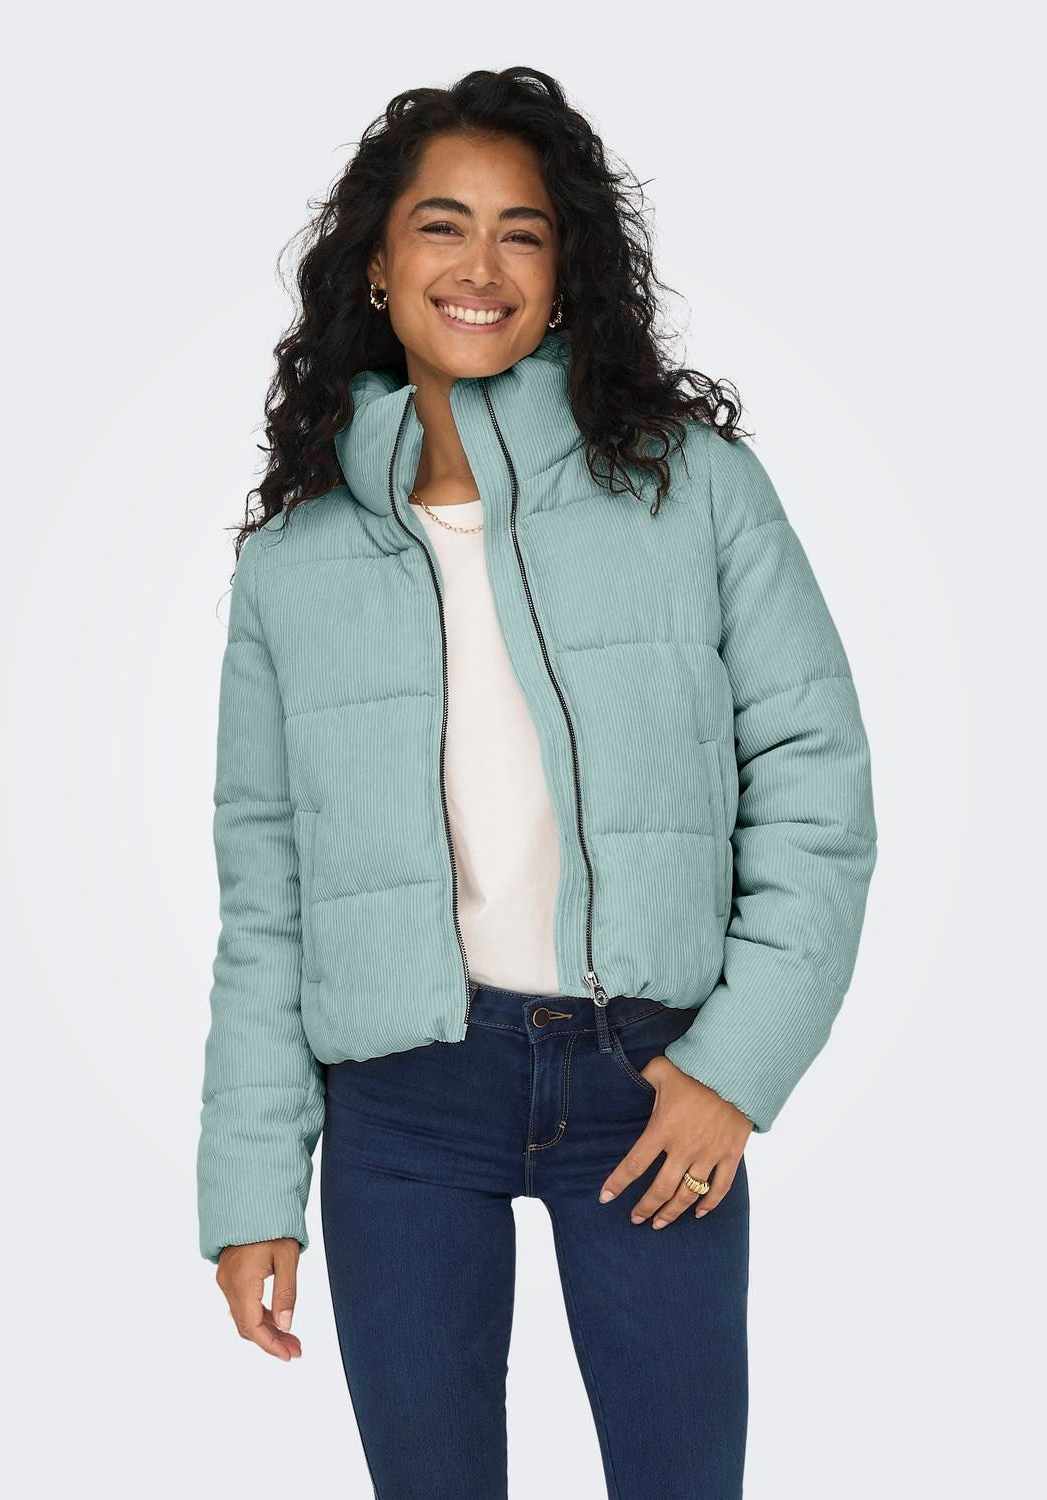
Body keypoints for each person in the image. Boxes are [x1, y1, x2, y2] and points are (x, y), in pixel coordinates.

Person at [196, 65, 878, 1500]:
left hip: (654, 1081)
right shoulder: (292, 564)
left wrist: (734, 1070)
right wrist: (253, 1187)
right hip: (401, 1108)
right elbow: (267, 901)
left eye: (523, 232)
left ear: (566, 274)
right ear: (377, 265)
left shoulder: (693, 487)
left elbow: (815, 784)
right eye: (441, 226)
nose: (481, 266)